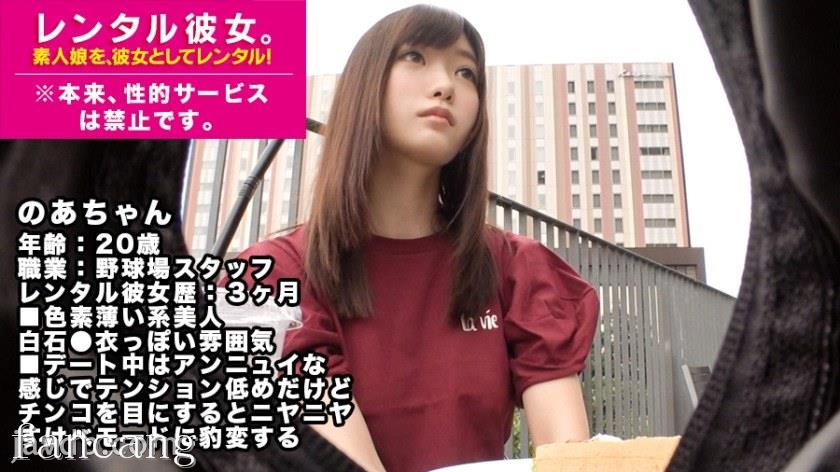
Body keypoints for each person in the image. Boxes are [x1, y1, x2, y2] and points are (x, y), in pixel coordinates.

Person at [233, 5, 599, 472]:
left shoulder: (517, 268)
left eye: (466, 72)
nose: (446, 85)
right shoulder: (271, 276)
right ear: (365, 84)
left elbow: (569, 459)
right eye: (415, 57)